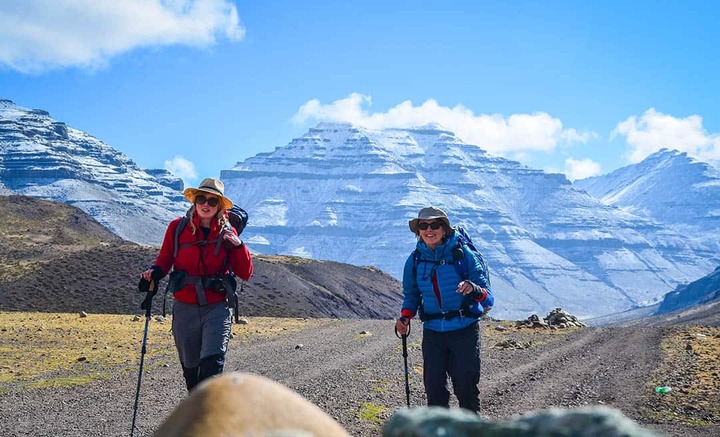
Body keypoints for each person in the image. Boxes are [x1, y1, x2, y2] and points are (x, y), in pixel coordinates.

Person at [140, 177, 253, 392]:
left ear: (219, 205)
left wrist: (239, 246)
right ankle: (198, 415)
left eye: (212, 201)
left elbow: (245, 273)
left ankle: (208, 419)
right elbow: (164, 261)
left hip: (216, 308)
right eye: (202, 198)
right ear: (194, 201)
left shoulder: (228, 232)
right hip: (184, 308)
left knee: (211, 369)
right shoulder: (176, 228)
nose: (206, 204)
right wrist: (153, 273)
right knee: (191, 373)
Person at [395, 206, 494, 413]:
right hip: (433, 333)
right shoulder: (414, 260)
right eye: (423, 225)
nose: (429, 230)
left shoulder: (463, 255)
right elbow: (412, 295)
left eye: (435, 225)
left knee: (465, 387)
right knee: (434, 390)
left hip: (464, 329)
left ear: (445, 228)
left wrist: (473, 289)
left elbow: (488, 297)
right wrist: (405, 317)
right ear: (418, 231)